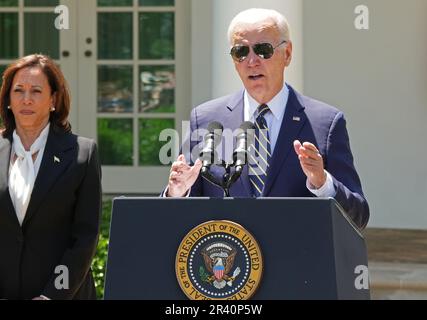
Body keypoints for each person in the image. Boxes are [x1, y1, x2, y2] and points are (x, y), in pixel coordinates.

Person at [164, 8, 369, 230]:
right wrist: (176, 192)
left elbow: (358, 216)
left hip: (297, 260)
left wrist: (322, 183)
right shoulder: (204, 120)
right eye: (241, 51)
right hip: (227, 259)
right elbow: (175, 215)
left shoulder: (326, 123)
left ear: (287, 53)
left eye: (263, 50)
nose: (251, 61)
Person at [0, 54, 102, 299]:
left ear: (53, 100)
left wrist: (51, 296)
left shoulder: (82, 154)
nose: (26, 99)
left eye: (36, 91)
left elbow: (85, 238)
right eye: (18, 90)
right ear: (8, 100)